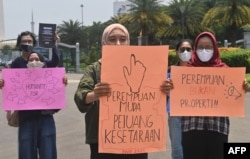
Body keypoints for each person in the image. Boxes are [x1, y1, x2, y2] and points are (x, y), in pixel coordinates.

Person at [74, 23, 172, 159]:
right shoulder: (94, 69)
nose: (118, 44)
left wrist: (164, 90)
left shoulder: (143, 66)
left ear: (129, 42)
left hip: (136, 138)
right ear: (104, 43)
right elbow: (80, 98)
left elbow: (154, 100)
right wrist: (95, 95)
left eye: (122, 39)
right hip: (103, 139)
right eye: (112, 39)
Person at [177, 31, 248, 159]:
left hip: (218, 129)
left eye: (208, 47)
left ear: (215, 48)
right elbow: (175, 92)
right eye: (200, 47)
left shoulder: (225, 71)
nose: (204, 50)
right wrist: (170, 86)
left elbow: (234, 92)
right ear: (195, 49)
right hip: (191, 129)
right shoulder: (185, 72)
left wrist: (243, 86)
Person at [3, 31, 61, 159]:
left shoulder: (41, 60)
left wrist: (54, 44)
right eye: (24, 41)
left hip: (43, 112)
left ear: (33, 44)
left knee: (47, 147)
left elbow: (54, 66)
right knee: (26, 147)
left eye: (29, 41)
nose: (27, 43)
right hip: (26, 114)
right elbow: (11, 86)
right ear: (19, 44)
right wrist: (9, 109)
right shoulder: (16, 63)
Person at [167, 39, 193, 159]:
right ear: (177, 52)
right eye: (182, 49)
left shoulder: (199, 71)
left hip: (194, 114)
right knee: (177, 149)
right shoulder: (169, 71)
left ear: (193, 51)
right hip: (175, 114)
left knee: (192, 146)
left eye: (188, 49)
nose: (185, 52)